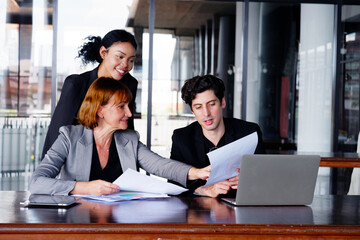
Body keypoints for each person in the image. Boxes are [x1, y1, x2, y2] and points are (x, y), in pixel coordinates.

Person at [30, 77, 209, 196]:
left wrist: (197, 173)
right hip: (79, 221)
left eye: (128, 106)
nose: (129, 114)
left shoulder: (128, 139)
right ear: (100, 110)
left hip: (122, 221)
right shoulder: (69, 137)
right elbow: (37, 182)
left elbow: (159, 165)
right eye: (121, 106)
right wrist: (84, 188)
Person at [42, 29, 138, 159]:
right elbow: (57, 132)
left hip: (113, 156)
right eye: (120, 57)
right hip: (77, 159)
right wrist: (47, 173)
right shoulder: (76, 84)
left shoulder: (130, 83)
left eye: (131, 60)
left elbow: (127, 126)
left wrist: (132, 165)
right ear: (104, 53)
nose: (125, 65)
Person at [170, 74, 265, 198]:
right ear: (193, 111)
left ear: (223, 102)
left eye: (212, 104)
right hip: (198, 212)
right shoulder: (182, 137)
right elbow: (173, 183)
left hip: (241, 205)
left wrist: (249, 179)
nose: (206, 113)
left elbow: (265, 175)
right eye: (198, 107)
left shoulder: (249, 131)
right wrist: (203, 190)